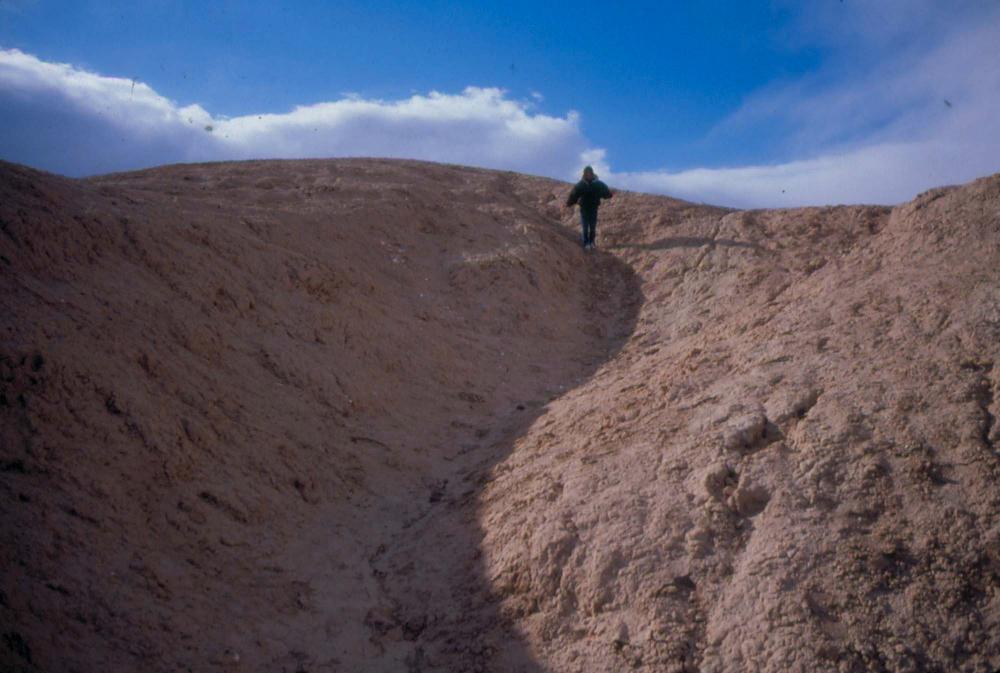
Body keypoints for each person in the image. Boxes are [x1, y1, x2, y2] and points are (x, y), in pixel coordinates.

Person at [565, 165, 613, 251]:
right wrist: (569, 203)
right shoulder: (581, 185)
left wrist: (609, 195)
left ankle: (592, 242)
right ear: (584, 174)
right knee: (585, 227)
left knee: (593, 226)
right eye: (586, 173)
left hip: (594, 208)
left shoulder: (598, 184)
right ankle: (586, 243)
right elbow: (574, 195)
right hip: (584, 208)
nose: (588, 175)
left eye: (589, 173)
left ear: (592, 173)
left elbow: (605, 192)